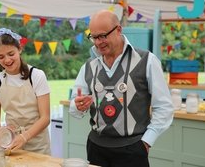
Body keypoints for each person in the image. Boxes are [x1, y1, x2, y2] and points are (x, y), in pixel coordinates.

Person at [69, 10, 174, 167]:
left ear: (118, 30)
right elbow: (74, 105)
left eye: (103, 36)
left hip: (133, 149)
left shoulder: (147, 60)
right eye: (94, 37)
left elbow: (164, 107)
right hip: (96, 148)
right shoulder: (89, 66)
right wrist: (77, 105)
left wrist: (146, 142)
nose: (98, 42)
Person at [0, 28, 51, 155]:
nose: (7, 60)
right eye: (0, 57)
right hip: (10, 144)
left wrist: (24, 137)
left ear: (20, 49)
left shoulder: (36, 76)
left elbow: (45, 118)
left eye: (11, 54)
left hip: (38, 146)